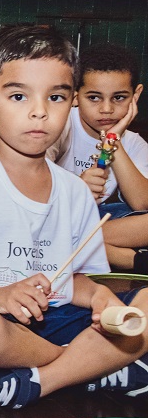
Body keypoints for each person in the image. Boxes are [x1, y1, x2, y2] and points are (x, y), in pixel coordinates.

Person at [0, 24, 148, 410]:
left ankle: (36, 381)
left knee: (143, 309)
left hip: (51, 319)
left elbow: (75, 283)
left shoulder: (74, 191)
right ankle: (91, 369)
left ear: (71, 102)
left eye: (55, 96)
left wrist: (101, 296)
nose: (39, 111)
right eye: (19, 96)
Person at [47, 42, 148, 272]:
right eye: (94, 98)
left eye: (119, 98)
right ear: (74, 95)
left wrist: (113, 140)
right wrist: (76, 190)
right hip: (57, 217)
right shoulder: (59, 126)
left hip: (94, 223)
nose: (106, 109)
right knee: (48, 228)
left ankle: (77, 246)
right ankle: (132, 260)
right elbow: (30, 187)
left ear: (136, 95)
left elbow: (141, 202)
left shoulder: (133, 142)